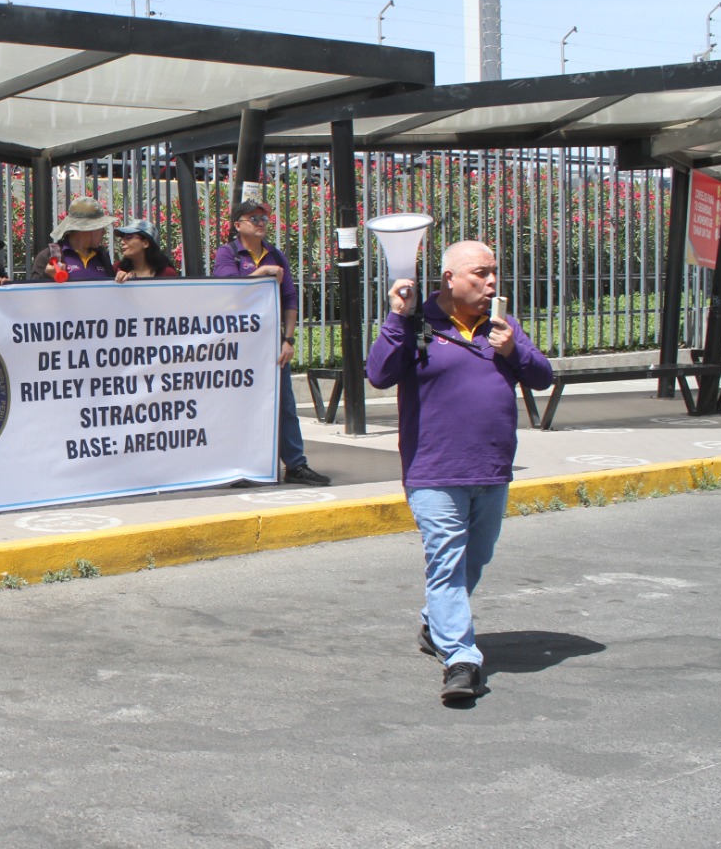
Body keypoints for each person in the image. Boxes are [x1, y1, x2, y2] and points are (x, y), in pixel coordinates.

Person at [366, 240, 553, 703]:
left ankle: (436, 622)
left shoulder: (501, 326)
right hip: (434, 468)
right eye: (480, 274)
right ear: (450, 278)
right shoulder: (418, 323)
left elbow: (542, 376)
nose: (491, 283)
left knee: (476, 557)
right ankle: (461, 658)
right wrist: (396, 319)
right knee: (446, 562)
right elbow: (379, 374)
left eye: (494, 273)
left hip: (490, 467)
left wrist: (514, 351)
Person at [211, 200, 330, 487]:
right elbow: (226, 291)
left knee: (284, 405)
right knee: (239, 405)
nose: (261, 222)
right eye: (254, 218)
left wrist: (287, 340)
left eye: (264, 217)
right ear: (238, 225)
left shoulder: (275, 254)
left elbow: (289, 300)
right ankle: (239, 466)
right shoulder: (228, 254)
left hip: (270, 343)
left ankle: (296, 465)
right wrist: (261, 274)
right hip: (236, 344)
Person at [29, 196, 116, 281]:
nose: (104, 231)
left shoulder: (102, 255)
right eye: (100, 226)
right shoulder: (48, 256)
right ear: (86, 228)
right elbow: (33, 293)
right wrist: (47, 277)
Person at [113, 219, 179, 280]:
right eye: (122, 238)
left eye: (129, 237)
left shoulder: (167, 274)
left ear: (145, 243)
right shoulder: (117, 268)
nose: (122, 242)